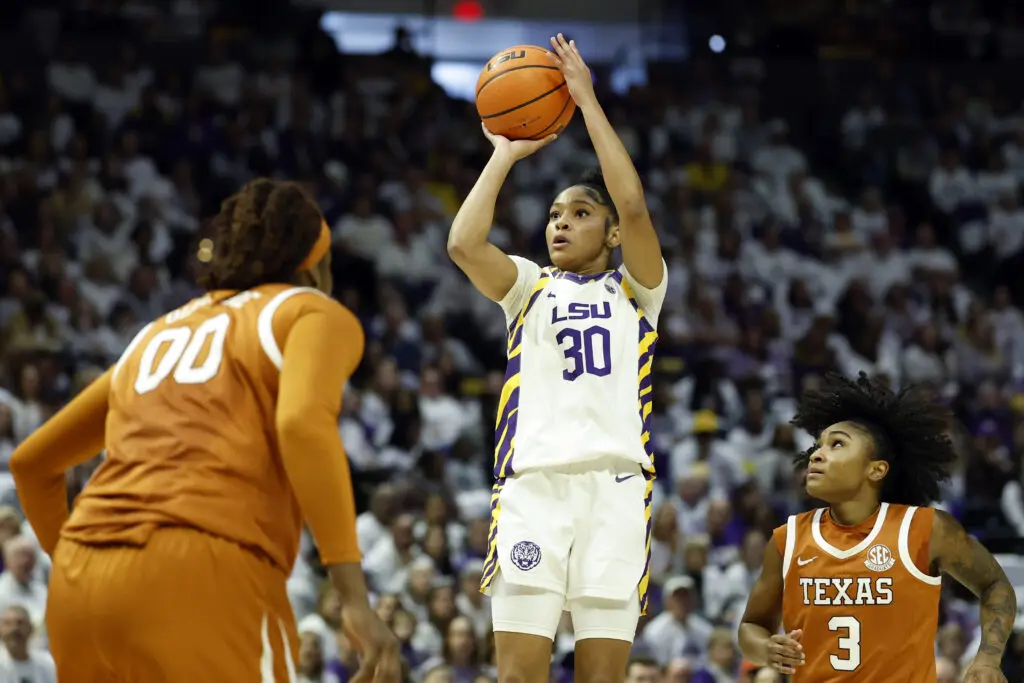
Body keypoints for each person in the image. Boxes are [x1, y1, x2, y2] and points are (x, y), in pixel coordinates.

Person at [9, 179, 400, 682]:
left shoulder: (154, 333)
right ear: (311, 265)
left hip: (80, 584)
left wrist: (72, 560)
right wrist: (353, 598)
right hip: (203, 569)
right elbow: (302, 424)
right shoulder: (309, 311)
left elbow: (31, 463)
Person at [447, 33, 667, 683]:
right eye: (552, 214)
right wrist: (505, 154)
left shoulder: (638, 291)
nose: (560, 224)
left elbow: (632, 201)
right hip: (533, 489)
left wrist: (585, 100)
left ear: (613, 233)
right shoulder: (526, 286)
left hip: (617, 490)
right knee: (518, 676)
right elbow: (463, 242)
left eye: (579, 212)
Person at [738, 373, 1015, 683]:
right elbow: (751, 626)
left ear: (876, 469)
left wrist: (988, 659)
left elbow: (995, 586)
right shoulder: (787, 539)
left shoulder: (925, 529)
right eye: (818, 445)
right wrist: (765, 648)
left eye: (837, 444)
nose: (816, 454)